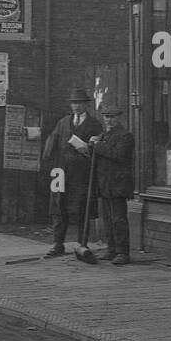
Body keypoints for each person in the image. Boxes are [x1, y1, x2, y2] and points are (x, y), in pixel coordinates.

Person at [42, 87, 102, 256]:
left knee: (83, 206)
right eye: (74, 103)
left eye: (80, 103)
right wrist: (49, 164)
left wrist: (90, 148)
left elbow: (99, 149)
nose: (76, 106)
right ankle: (57, 243)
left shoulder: (94, 125)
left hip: (81, 173)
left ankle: (82, 244)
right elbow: (51, 142)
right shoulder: (63, 122)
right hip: (59, 171)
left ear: (86, 105)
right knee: (57, 206)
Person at [89, 103, 134, 265]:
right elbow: (99, 155)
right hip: (105, 184)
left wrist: (98, 146)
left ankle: (123, 252)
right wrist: (90, 145)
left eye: (112, 117)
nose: (109, 120)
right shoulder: (104, 135)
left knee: (118, 220)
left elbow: (119, 155)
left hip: (118, 184)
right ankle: (111, 249)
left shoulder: (125, 135)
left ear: (118, 118)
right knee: (107, 219)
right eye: (106, 117)